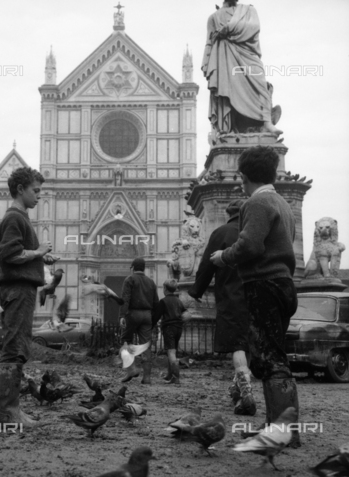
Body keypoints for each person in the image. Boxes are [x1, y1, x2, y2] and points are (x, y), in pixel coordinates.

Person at [210, 146, 300, 446]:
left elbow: (249, 245)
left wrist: (223, 256)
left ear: (245, 176)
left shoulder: (256, 203)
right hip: (284, 285)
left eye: (241, 178)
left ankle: (283, 432)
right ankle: (278, 425)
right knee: (272, 355)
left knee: (270, 360)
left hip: (264, 286)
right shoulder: (283, 204)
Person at [0, 166, 57, 426]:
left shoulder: (21, 218)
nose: (38, 196)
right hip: (18, 290)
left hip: (23, 290)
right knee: (14, 349)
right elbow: (8, 255)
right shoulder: (15, 218)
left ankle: (12, 410)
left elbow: (19, 253)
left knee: (19, 349)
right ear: (21, 189)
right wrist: (38, 250)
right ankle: (8, 413)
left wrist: (41, 255)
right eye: (35, 190)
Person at [188, 200, 255, 415]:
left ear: (229, 214)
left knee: (237, 346)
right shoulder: (254, 232)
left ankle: (246, 394)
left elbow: (206, 266)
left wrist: (197, 291)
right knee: (250, 343)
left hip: (231, 297)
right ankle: (237, 389)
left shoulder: (221, 233)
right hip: (258, 296)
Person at [202, 0, 282, 135]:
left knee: (261, 83)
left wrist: (228, 29)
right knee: (226, 89)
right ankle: (228, 128)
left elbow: (254, 27)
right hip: (225, 57)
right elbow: (209, 42)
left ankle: (267, 122)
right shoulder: (213, 18)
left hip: (248, 54)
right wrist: (206, 62)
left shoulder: (249, 10)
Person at [119, 257, 159, 385]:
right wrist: (153, 319)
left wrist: (122, 315)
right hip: (147, 315)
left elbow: (125, 298)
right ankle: (146, 378)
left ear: (132, 268)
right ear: (144, 268)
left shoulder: (130, 279)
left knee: (126, 341)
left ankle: (131, 370)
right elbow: (156, 302)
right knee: (146, 345)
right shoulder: (151, 282)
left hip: (132, 313)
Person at [152, 279, 185, 385]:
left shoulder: (163, 301)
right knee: (173, 351)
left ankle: (176, 377)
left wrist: (150, 326)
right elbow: (185, 313)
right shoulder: (178, 301)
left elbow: (156, 317)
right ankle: (170, 375)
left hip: (169, 328)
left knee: (171, 352)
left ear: (165, 289)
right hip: (178, 328)